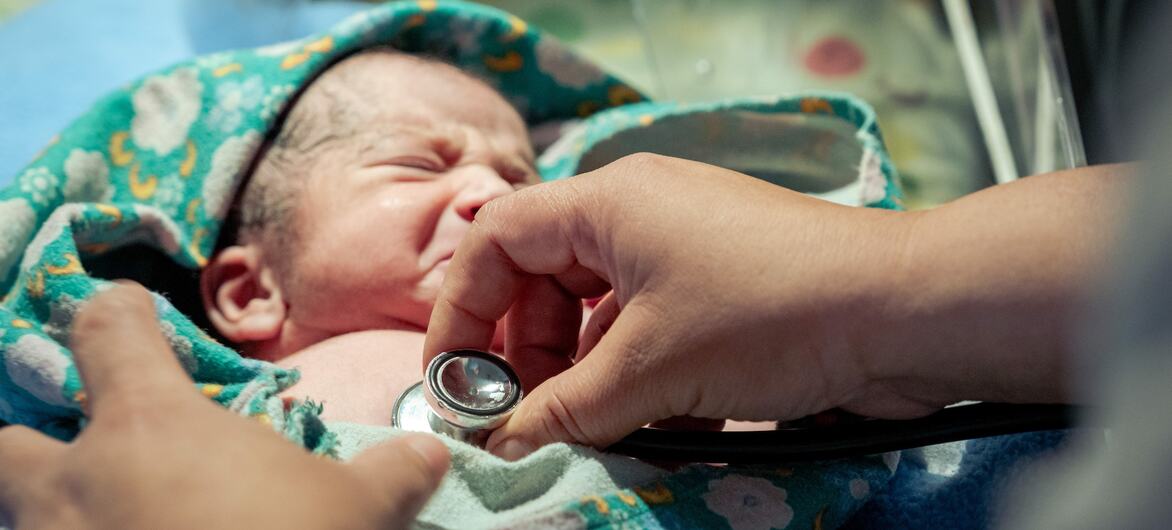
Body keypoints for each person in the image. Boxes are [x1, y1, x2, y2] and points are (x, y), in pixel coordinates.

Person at [199, 48, 539, 425]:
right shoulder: (200, 414)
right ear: (254, 293)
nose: (497, 193)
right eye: (418, 165)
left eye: (520, 181)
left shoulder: (590, 332)